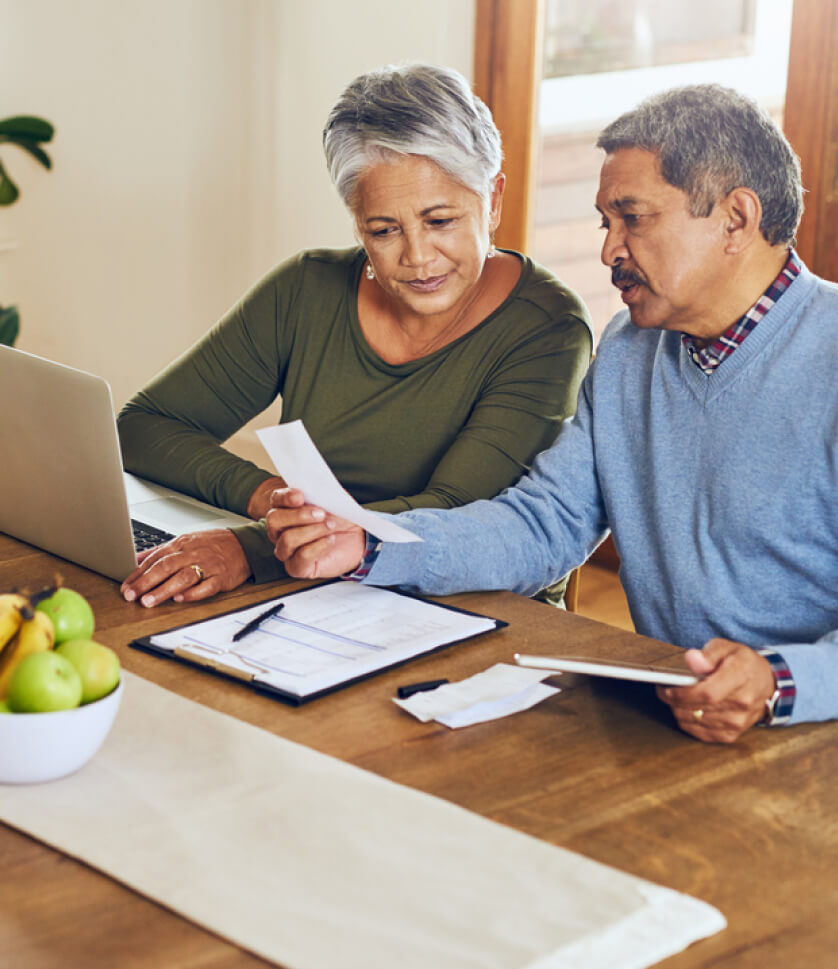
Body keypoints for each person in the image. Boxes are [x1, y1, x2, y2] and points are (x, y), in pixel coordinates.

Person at [266, 83, 838, 745]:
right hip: (683, 727)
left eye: (634, 218)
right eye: (605, 223)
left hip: (810, 740)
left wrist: (780, 681)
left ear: (736, 219)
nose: (609, 251)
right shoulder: (630, 352)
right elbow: (545, 524)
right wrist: (368, 544)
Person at [116, 63, 592, 609]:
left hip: (472, 610)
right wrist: (274, 503)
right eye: (383, 230)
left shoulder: (547, 328)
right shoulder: (307, 289)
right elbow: (145, 427)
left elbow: (458, 512)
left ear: (494, 200)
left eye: (440, 222)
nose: (417, 257)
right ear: (356, 220)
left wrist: (253, 549)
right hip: (317, 597)